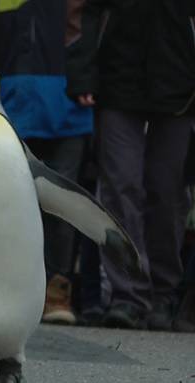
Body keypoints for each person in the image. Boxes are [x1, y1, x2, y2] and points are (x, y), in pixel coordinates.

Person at [67, 0, 195, 330]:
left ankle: (164, 294)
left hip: (180, 90)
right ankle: (128, 296)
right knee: (121, 187)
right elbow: (85, 14)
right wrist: (83, 72)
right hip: (117, 85)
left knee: (167, 191)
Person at [0, 0, 94, 325]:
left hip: (69, 108)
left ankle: (56, 291)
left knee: (63, 205)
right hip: (11, 107)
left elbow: (98, 33)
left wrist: (90, 79)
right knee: (7, 202)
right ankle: (7, 289)